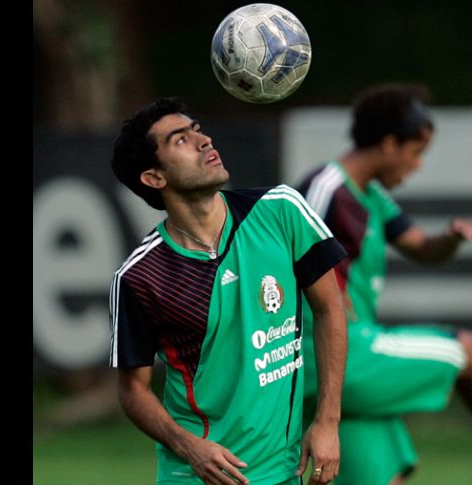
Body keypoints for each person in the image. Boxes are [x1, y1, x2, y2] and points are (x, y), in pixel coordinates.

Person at [296, 84, 472, 485]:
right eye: (416, 152)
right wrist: (333, 303)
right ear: (390, 144)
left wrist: (449, 240)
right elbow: (293, 262)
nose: (417, 165)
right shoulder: (326, 189)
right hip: (333, 355)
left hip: (347, 368)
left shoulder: (370, 196)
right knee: (469, 350)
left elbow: (421, 248)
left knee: (380, 475)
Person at [109, 97, 348, 485]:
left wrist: (327, 421)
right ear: (154, 178)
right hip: (197, 475)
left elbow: (329, 309)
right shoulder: (140, 276)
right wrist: (188, 446)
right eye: (180, 139)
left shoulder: (281, 209)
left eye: (198, 130)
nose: (203, 141)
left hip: (283, 470)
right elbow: (133, 391)